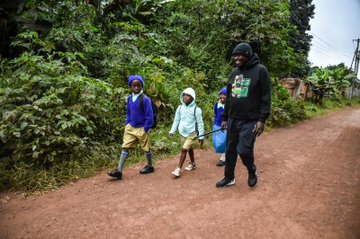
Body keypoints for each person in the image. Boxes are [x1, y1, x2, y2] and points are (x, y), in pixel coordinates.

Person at [216, 42, 271, 188]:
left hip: (251, 120)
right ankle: (229, 178)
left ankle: (251, 170)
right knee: (230, 150)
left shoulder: (260, 71)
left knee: (244, 150)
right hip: (233, 118)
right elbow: (229, 97)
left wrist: (261, 120)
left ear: (247, 54)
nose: (236, 59)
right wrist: (225, 118)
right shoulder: (234, 73)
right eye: (234, 56)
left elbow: (266, 97)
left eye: (239, 55)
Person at [107, 75, 155, 180]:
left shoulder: (145, 99)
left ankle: (150, 166)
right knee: (125, 147)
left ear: (142, 86)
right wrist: (127, 122)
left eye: (138, 85)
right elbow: (128, 112)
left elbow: (149, 115)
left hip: (142, 128)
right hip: (131, 127)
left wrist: (146, 128)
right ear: (130, 87)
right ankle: (119, 171)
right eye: (134, 86)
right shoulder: (129, 98)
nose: (136, 88)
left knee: (146, 148)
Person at [168, 87, 205, 177]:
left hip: (192, 133)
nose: (185, 97)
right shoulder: (180, 108)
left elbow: (200, 124)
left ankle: (178, 169)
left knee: (184, 149)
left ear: (192, 97)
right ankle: (192, 163)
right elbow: (176, 120)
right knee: (189, 148)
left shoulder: (197, 110)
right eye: (184, 95)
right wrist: (172, 131)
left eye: (188, 96)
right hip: (182, 132)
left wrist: (201, 137)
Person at [212, 87, 227, 167]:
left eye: (225, 95)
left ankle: (223, 158)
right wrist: (214, 123)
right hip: (217, 126)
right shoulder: (216, 104)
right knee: (216, 143)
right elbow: (215, 114)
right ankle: (225, 154)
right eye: (221, 94)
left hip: (225, 127)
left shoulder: (229, 106)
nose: (223, 96)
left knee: (222, 142)